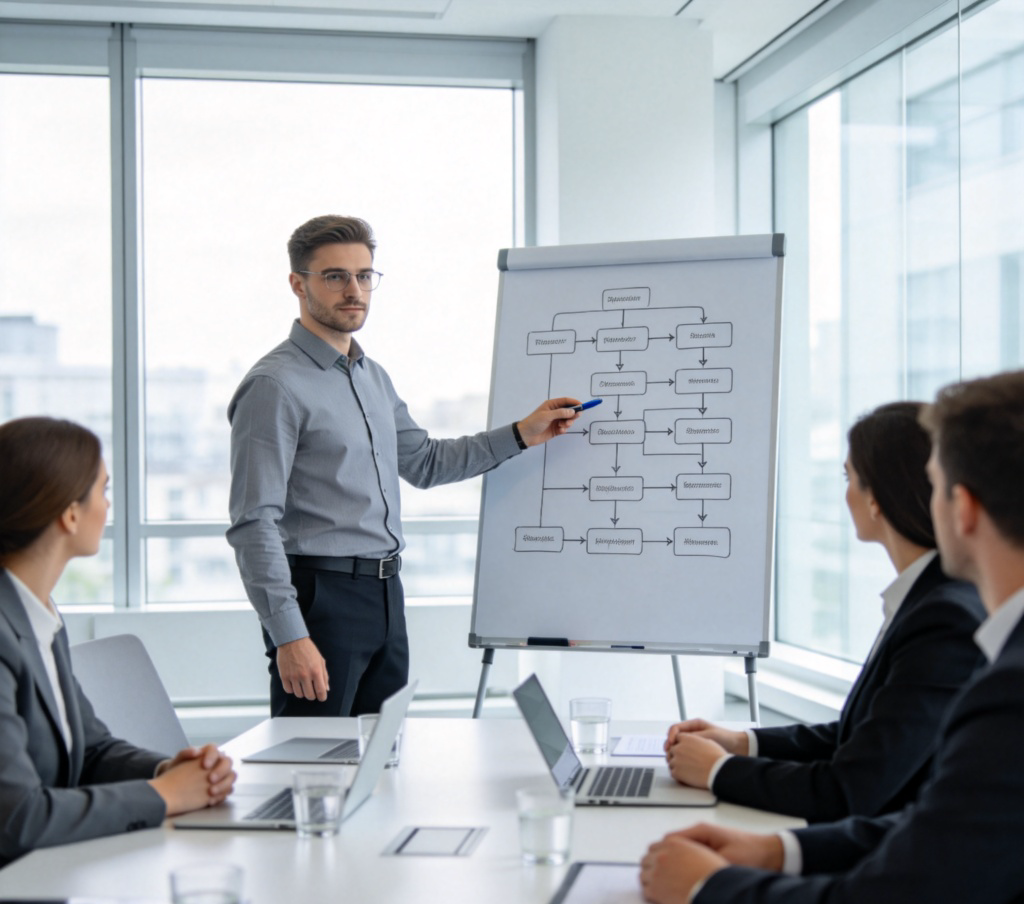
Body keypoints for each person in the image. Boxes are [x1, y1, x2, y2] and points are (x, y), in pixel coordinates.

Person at [640, 370, 1024, 904]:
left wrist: (707, 888)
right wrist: (776, 850)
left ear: (960, 508)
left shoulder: (1006, 683)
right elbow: (942, 824)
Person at [228, 214, 581, 718]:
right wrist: (289, 636)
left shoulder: (373, 377)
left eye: (364, 275)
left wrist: (523, 433)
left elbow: (426, 463)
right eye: (335, 276)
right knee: (312, 767)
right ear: (297, 284)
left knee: (381, 760)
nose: (354, 290)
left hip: (386, 595)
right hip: (320, 599)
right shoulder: (274, 386)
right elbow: (252, 523)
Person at [662, 401, 985, 822]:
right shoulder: (928, 597)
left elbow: (851, 791)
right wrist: (740, 742)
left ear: (877, 499)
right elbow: (857, 737)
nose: (844, 492)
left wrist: (719, 770)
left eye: (849, 477)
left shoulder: (944, 618)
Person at [0, 416, 236, 868]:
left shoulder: (38, 611)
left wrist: (169, 771)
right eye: (103, 491)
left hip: (49, 876)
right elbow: (16, 818)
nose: (108, 506)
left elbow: (90, 750)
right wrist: (162, 796)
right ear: (69, 513)